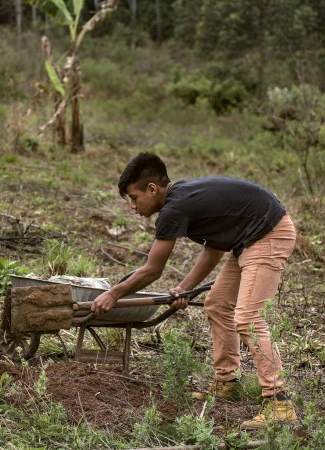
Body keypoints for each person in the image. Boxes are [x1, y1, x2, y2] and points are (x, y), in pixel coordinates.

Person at [91, 152, 298, 429]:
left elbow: (153, 270)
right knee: (217, 304)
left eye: (133, 197)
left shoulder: (174, 208)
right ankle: (227, 382)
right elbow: (213, 248)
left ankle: (279, 403)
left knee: (248, 317)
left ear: (152, 189)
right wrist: (185, 289)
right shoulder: (183, 197)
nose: (132, 206)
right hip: (250, 238)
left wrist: (114, 293)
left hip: (268, 234)